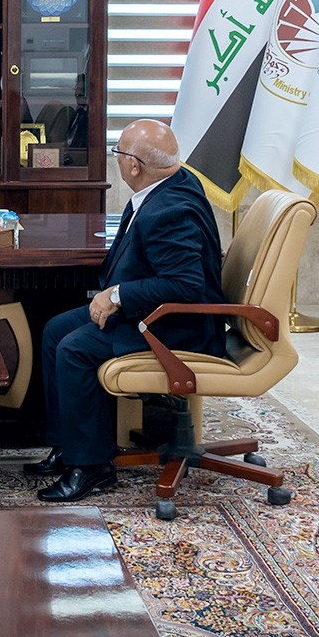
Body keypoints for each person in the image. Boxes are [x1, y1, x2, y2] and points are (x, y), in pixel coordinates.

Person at [24, 120, 227, 503]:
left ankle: (91, 467)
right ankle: (68, 446)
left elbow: (186, 285)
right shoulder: (172, 182)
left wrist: (116, 295)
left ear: (134, 165)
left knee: (74, 349)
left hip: (176, 327)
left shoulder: (169, 210)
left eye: (117, 152)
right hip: (152, 314)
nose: (115, 159)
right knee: (55, 331)